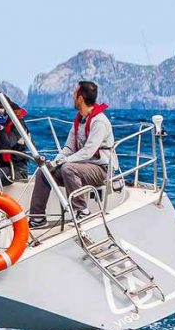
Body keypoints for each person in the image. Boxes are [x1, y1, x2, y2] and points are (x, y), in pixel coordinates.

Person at [28, 80, 117, 228]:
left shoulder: (99, 122)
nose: (72, 97)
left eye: (74, 94)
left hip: (102, 170)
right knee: (44, 172)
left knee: (68, 168)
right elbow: (69, 148)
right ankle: (37, 219)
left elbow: (88, 152)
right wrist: (54, 162)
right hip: (82, 168)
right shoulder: (79, 121)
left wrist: (64, 162)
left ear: (80, 98)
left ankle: (82, 211)